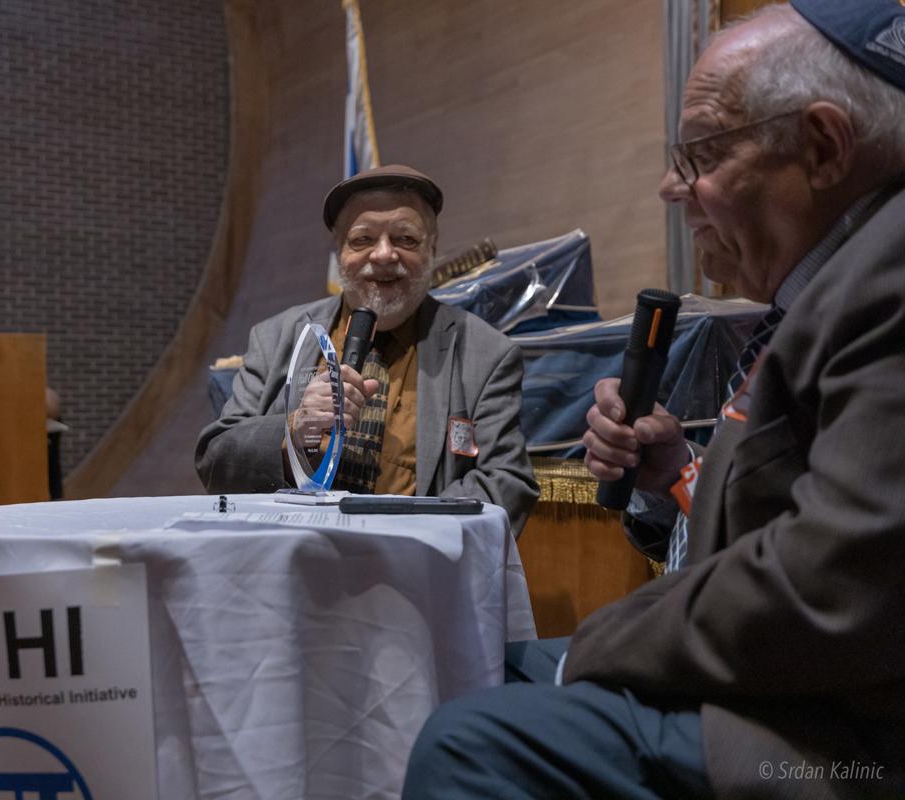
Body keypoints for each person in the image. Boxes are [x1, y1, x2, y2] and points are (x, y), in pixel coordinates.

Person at [403, 2, 905, 798]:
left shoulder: (888, 274)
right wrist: (671, 472)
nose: (672, 187)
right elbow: (799, 507)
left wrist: (605, 641)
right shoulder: (830, 283)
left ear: (822, 146)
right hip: (800, 683)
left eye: (701, 153)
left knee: (469, 742)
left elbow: (836, 585)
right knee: (466, 665)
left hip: (847, 736)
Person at [195, 165, 538, 532]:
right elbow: (215, 460)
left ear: (433, 248)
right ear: (339, 251)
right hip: (291, 552)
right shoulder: (276, 336)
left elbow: (507, 481)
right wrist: (293, 431)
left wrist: (406, 535)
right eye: (362, 239)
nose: (384, 254)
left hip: (415, 558)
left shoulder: (485, 354)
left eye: (406, 239)